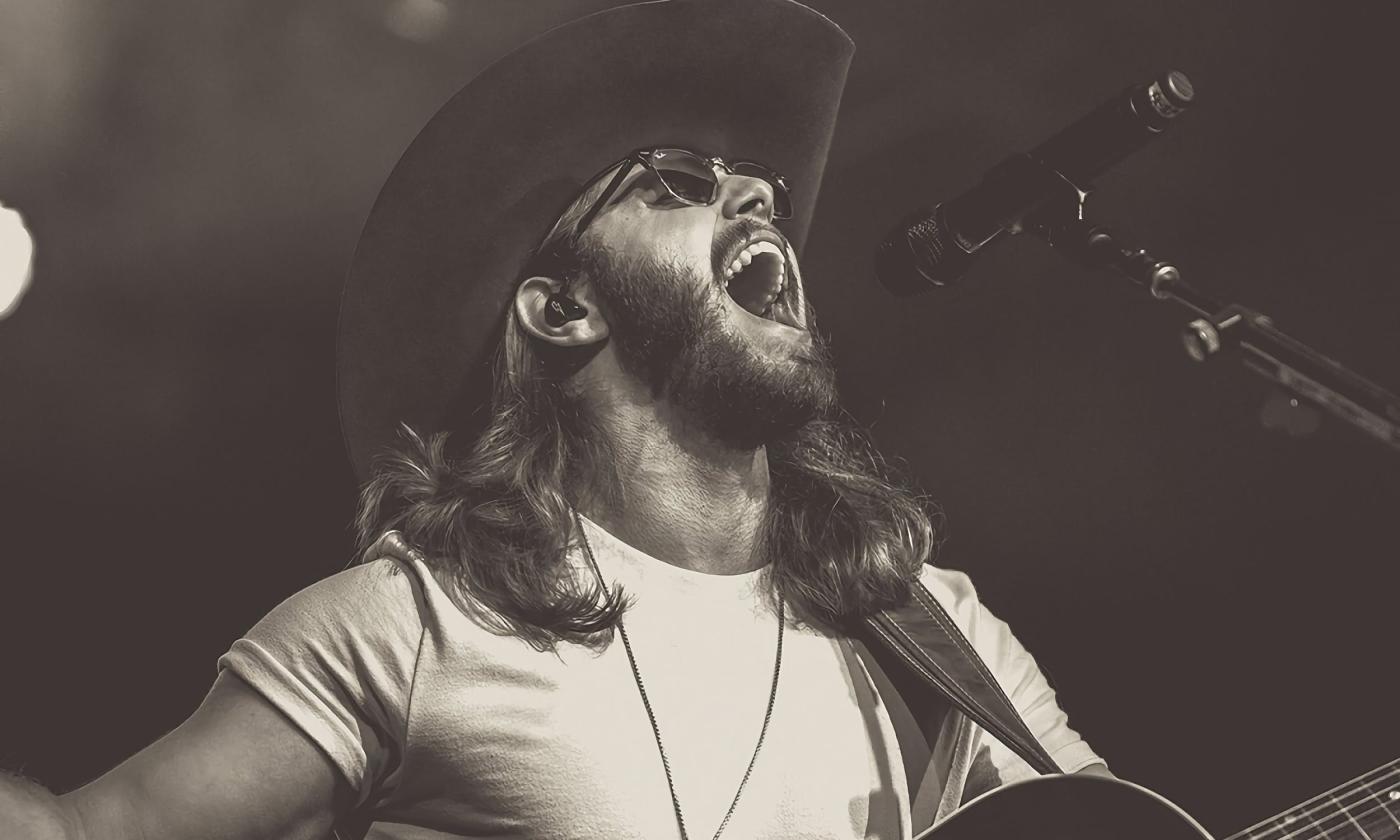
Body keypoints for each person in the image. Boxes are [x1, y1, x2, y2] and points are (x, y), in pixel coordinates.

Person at [1, 1, 1111, 838]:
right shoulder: (414, 624)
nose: (753, 198)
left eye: (758, 185)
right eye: (674, 180)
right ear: (561, 307)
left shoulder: (933, 629)